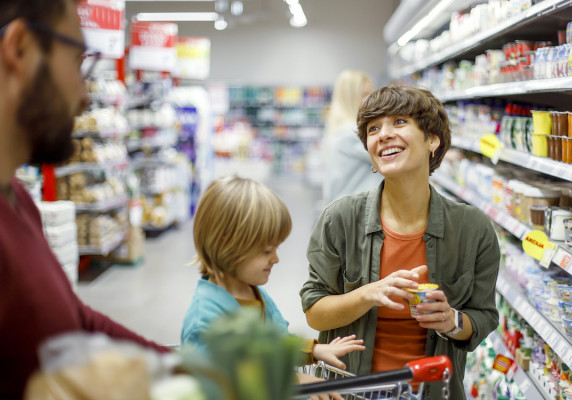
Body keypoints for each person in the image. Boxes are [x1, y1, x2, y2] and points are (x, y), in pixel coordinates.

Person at [0, 1, 169, 398]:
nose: (82, 96)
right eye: (79, 62)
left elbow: (74, 323)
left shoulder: (18, 199)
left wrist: (209, 374)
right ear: (20, 48)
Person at [300, 85, 500, 399]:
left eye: (399, 122)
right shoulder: (340, 219)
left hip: (431, 391)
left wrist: (451, 321)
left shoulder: (473, 228)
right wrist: (369, 294)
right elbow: (314, 311)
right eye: (373, 128)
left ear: (432, 139)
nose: (383, 134)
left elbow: (484, 316)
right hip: (351, 391)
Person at [181, 176, 365, 398]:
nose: (276, 259)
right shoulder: (205, 321)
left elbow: (271, 342)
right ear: (227, 247)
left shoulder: (252, 292)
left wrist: (313, 350)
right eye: (267, 251)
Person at [322, 70, 382, 205]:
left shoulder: (338, 127)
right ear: (350, 97)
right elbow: (385, 156)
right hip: (356, 211)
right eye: (365, 94)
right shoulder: (353, 133)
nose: (372, 100)